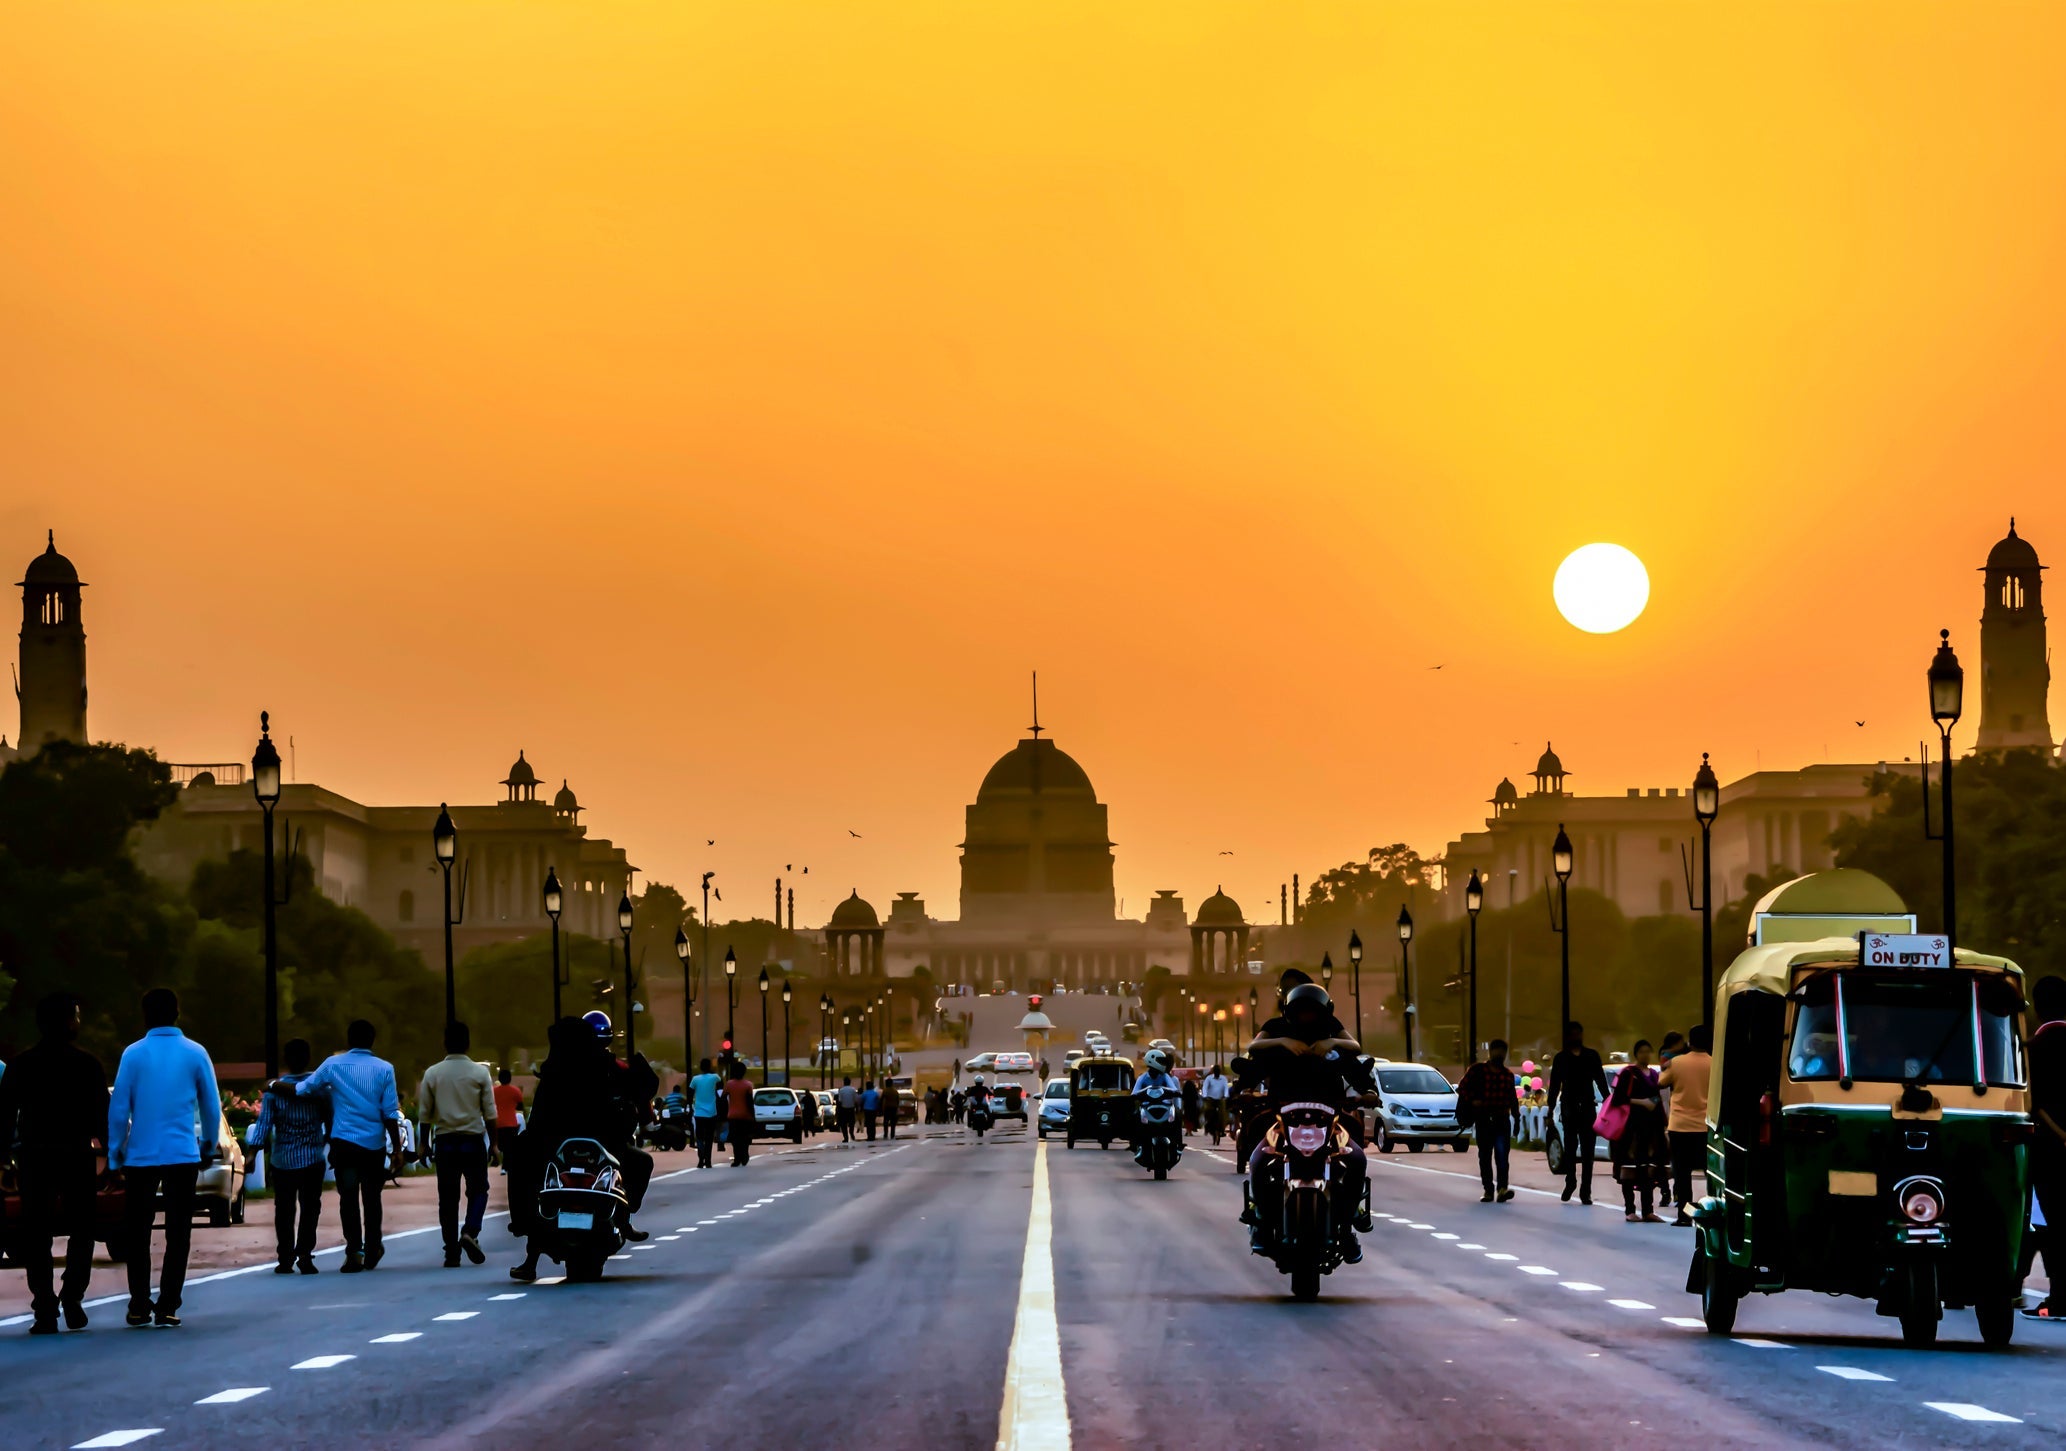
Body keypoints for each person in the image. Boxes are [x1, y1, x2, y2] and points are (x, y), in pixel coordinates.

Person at [108, 987, 222, 1327]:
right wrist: (208, 1143)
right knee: (178, 1231)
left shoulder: (133, 1054)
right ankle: (169, 1302)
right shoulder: (196, 1052)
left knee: (138, 1232)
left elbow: (119, 1108)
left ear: (145, 1015)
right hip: (182, 1153)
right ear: (177, 1013)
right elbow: (211, 1106)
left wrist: (116, 1154)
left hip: (141, 1155)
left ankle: (139, 1303)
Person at [1238, 983, 1372, 1262]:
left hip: (1330, 1117)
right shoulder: (1275, 1028)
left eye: (1313, 1012)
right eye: (1302, 1012)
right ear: (1289, 1012)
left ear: (1324, 1012)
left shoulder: (1332, 1031)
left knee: (1357, 1159)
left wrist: (1332, 1043)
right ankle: (1262, 1220)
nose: (1307, 1018)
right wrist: (1283, 1042)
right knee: (1259, 1160)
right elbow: (1254, 1046)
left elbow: (1354, 1046)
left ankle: (1347, 1226)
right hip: (1284, 1115)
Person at [0, 992, 108, 1333]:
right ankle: (73, 1295)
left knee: (37, 1234)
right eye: (75, 1016)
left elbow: (4, 1117)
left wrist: (4, 1160)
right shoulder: (87, 1064)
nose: (79, 1021)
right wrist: (108, 1156)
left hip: (34, 1156)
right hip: (76, 1154)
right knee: (83, 1229)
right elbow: (103, 1117)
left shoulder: (21, 1064)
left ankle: (44, 1306)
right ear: (67, 1021)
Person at [508, 1016, 646, 1280]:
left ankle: (529, 1247)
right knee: (640, 1162)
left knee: (523, 1161)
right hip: (596, 1143)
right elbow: (626, 1104)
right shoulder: (604, 1066)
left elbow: (538, 1116)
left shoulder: (554, 1069)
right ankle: (625, 1219)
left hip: (563, 1145)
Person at [287, 1018, 402, 1273]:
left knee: (348, 1198)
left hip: (344, 1144)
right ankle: (374, 1246)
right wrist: (397, 1150)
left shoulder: (333, 1065)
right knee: (372, 1198)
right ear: (372, 1040)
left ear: (349, 1040)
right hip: (373, 1145)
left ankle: (354, 1251)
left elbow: (304, 1089)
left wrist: (275, 1085)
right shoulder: (385, 1069)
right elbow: (390, 1113)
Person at [418, 1020, 499, 1268]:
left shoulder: (432, 1073)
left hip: (445, 1141)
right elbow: (490, 1113)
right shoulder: (479, 1073)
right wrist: (493, 1144)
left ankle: (451, 1251)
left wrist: (423, 1144)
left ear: (445, 1043)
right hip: (472, 1140)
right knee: (478, 1190)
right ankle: (470, 1231)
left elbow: (424, 1114)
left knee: (448, 1197)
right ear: (468, 1043)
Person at [253, 1036, 330, 1275]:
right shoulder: (319, 1088)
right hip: (312, 1158)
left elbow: (263, 1126)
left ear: (285, 1059)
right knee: (310, 1208)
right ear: (308, 1059)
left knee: (284, 1210)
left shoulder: (273, 1091)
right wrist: (327, 1143)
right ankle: (305, 1255)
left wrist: (251, 1154)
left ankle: (285, 1257)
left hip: (283, 1160)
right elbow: (330, 1119)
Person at [2026, 975, 2066, 1318]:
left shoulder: (2033, 1050)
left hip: (2050, 1148)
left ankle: (2059, 1294)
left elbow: (2030, 1101)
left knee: (2050, 1223)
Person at [1546, 1021, 1610, 1205]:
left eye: (1578, 1033)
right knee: (1570, 1147)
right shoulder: (1561, 1058)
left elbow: (1600, 1079)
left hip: (1588, 1107)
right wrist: (1550, 1110)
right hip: (1569, 1107)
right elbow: (1555, 1085)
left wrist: (1608, 1101)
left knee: (1588, 1151)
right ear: (1567, 1037)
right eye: (1572, 1034)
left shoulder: (1591, 1056)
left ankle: (1586, 1190)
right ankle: (1571, 1181)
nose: (1576, 1037)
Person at [1656, 1024, 1713, 1227]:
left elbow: (1661, 1082)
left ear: (1690, 1041)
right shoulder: (1715, 1064)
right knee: (1710, 1173)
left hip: (1680, 1125)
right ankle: (1712, 1213)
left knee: (1682, 1173)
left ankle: (1684, 1215)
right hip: (1706, 1126)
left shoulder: (1677, 1063)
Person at [1609, 1039, 1668, 1222]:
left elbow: (1658, 1097)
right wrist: (1641, 1102)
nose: (1645, 1055)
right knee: (1629, 1169)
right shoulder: (1629, 1073)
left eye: (1647, 1051)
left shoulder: (1654, 1075)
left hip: (1651, 1129)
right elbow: (1617, 1099)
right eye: (1641, 1051)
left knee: (1648, 1169)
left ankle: (1648, 1210)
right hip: (1631, 1129)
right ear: (1636, 1054)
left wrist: (1659, 1113)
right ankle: (1629, 1209)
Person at [1457, 1040, 1522, 1203]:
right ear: (1490, 1053)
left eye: (1503, 1052)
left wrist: (1517, 1117)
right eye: (1497, 1051)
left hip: (1502, 1119)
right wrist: (1473, 1101)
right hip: (1484, 1119)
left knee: (1502, 1155)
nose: (1500, 1055)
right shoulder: (1477, 1071)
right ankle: (1488, 1190)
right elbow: (1462, 1088)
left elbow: (1512, 1098)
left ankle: (1502, 1188)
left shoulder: (1507, 1075)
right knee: (1485, 1156)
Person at [689, 1058, 723, 1168]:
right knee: (709, 1138)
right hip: (712, 1112)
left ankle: (700, 1158)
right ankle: (708, 1161)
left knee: (699, 1137)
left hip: (699, 1112)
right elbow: (721, 1090)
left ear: (700, 1067)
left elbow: (690, 1094)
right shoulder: (715, 1077)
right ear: (710, 1067)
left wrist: (690, 1107)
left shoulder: (695, 1079)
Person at [723, 1060, 756, 1166]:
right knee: (745, 1137)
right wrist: (753, 1115)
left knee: (735, 1139)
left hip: (732, 1115)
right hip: (745, 1116)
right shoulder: (748, 1085)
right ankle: (744, 1155)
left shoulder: (729, 1084)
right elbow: (750, 1102)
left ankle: (737, 1159)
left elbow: (723, 1098)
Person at [493, 1067, 524, 1166]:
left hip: (497, 1123)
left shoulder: (493, 1091)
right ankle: (507, 1165)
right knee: (510, 1147)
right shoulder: (516, 1090)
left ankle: (500, 1163)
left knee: (499, 1145)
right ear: (510, 1078)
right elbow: (520, 1106)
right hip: (511, 1123)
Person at [1199, 1063, 1231, 1142]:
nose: (1217, 1073)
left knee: (1223, 1114)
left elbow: (1226, 1088)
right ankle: (1207, 1126)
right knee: (1208, 1111)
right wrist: (1205, 1096)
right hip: (1210, 1099)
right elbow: (1205, 1088)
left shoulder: (1223, 1079)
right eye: (1216, 1071)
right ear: (1214, 1072)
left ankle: (1222, 1129)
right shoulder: (1209, 1079)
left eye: (1218, 1071)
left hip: (1220, 1099)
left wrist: (1226, 1096)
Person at [836, 1076, 858, 1142]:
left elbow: (840, 1101)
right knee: (851, 1123)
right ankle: (851, 1132)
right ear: (850, 1082)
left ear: (844, 1082)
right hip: (851, 1109)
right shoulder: (853, 1090)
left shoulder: (841, 1090)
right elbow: (855, 1100)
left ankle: (846, 1137)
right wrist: (856, 1108)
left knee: (843, 1124)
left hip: (844, 1109)